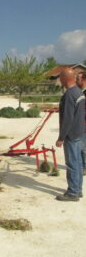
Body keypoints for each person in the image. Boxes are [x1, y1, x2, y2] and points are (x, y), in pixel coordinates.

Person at [56, 68, 85, 201]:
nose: (59, 80)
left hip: (71, 135)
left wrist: (61, 137)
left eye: (60, 77)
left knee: (72, 163)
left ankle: (72, 193)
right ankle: (78, 190)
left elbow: (68, 118)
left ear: (64, 78)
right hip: (79, 132)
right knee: (78, 163)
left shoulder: (69, 95)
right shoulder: (78, 92)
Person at [76, 71, 86, 176]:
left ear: (83, 80)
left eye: (77, 79)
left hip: (84, 125)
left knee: (83, 147)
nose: (76, 81)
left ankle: (84, 167)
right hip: (80, 124)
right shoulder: (81, 92)